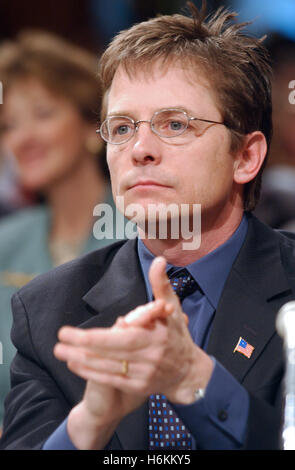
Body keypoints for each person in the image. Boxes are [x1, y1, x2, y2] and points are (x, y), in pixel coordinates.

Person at [0, 2, 294, 450]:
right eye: (121, 128)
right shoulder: (46, 314)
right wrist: (88, 425)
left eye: (174, 124)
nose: (140, 150)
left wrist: (194, 380)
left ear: (246, 157)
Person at [0, 31, 120, 429]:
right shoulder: (7, 240)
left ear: (92, 125)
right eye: (8, 125)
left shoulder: (147, 230)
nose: (23, 138)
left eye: (44, 113)